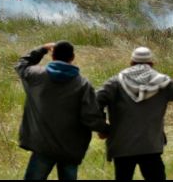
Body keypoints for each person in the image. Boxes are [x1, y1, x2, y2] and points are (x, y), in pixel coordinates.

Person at [96, 47, 173, 182]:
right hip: (150, 145)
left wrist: (103, 128)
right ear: (151, 64)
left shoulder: (114, 83)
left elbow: (93, 102)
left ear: (131, 62)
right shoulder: (163, 83)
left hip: (122, 146)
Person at [16, 41, 109, 181]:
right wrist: (106, 129)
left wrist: (42, 49)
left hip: (43, 146)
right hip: (70, 149)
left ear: (52, 56)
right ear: (72, 57)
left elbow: (21, 65)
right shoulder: (82, 84)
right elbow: (90, 117)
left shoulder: (36, 75)